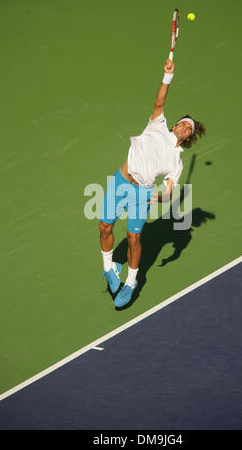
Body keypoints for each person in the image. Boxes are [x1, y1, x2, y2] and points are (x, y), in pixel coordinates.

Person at [99, 58, 206, 308]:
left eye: (188, 128)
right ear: (174, 124)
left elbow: (168, 192)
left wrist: (158, 198)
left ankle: (131, 282)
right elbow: (160, 101)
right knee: (105, 226)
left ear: (188, 137)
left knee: (133, 239)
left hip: (142, 193)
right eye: (182, 122)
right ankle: (108, 268)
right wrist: (167, 76)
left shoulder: (176, 162)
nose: (183, 126)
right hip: (120, 181)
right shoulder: (157, 125)